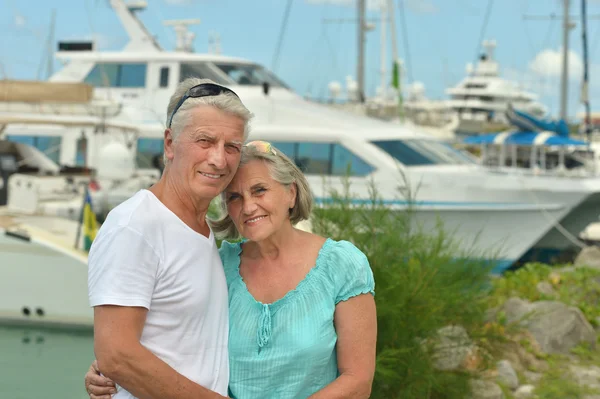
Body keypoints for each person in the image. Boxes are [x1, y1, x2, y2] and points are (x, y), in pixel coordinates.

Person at [86, 141, 377, 398]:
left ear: (291, 194)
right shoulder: (218, 264)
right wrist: (111, 370)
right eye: (234, 197)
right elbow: (169, 337)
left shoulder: (342, 265)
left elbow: (357, 381)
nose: (248, 207)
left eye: (259, 190)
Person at [86, 77, 253, 399]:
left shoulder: (200, 228)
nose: (219, 159)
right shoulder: (135, 227)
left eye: (232, 146)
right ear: (169, 143)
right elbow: (117, 355)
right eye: (205, 141)